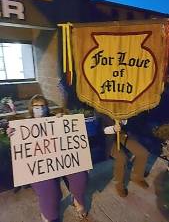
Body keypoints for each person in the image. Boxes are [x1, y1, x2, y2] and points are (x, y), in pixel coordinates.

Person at [7, 94, 88, 222]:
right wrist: (13, 135)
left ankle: (78, 199)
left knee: (80, 177)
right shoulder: (24, 125)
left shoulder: (54, 119)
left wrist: (62, 121)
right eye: (36, 106)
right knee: (49, 191)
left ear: (47, 108)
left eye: (43, 106)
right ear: (31, 108)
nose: (40, 109)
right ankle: (49, 216)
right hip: (39, 166)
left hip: (61, 160)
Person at [103, 117, 149, 198]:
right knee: (121, 158)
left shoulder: (121, 106)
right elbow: (99, 128)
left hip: (121, 134)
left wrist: (122, 120)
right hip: (106, 139)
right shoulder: (99, 109)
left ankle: (137, 177)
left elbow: (125, 123)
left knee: (143, 153)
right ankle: (119, 185)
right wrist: (113, 128)